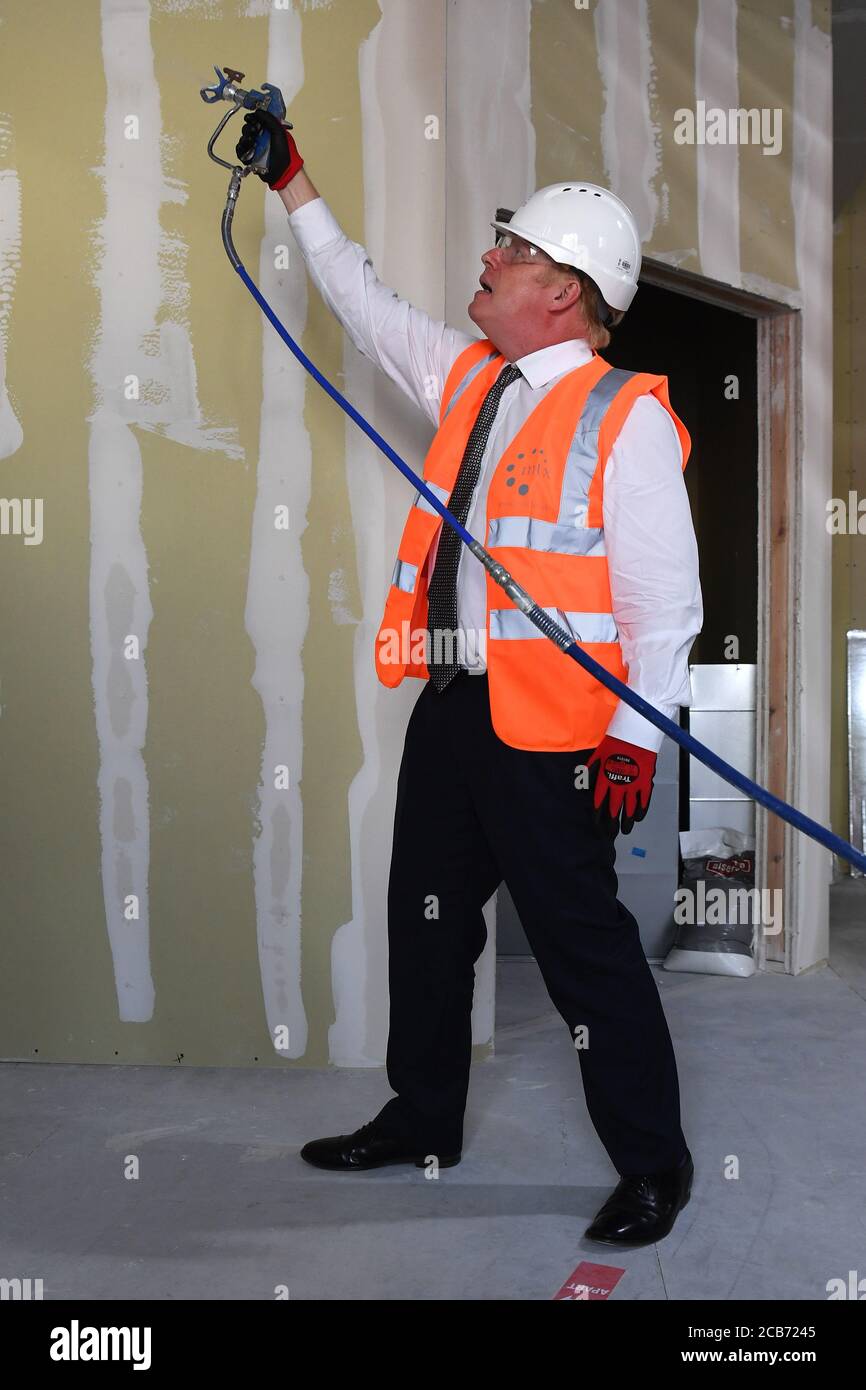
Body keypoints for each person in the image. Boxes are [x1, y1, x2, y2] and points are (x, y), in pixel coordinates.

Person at [236, 109, 703, 1247]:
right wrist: (294, 185)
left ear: (562, 288)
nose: (486, 260)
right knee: (429, 925)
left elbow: (665, 602)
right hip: (454, 712)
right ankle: (423, 1118)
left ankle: (652, 1166)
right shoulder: (471, 383)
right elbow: (363, 301)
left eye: (510, 249)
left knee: (585, 956)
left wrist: (634, 742)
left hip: (557, 737)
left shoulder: (620, 416)